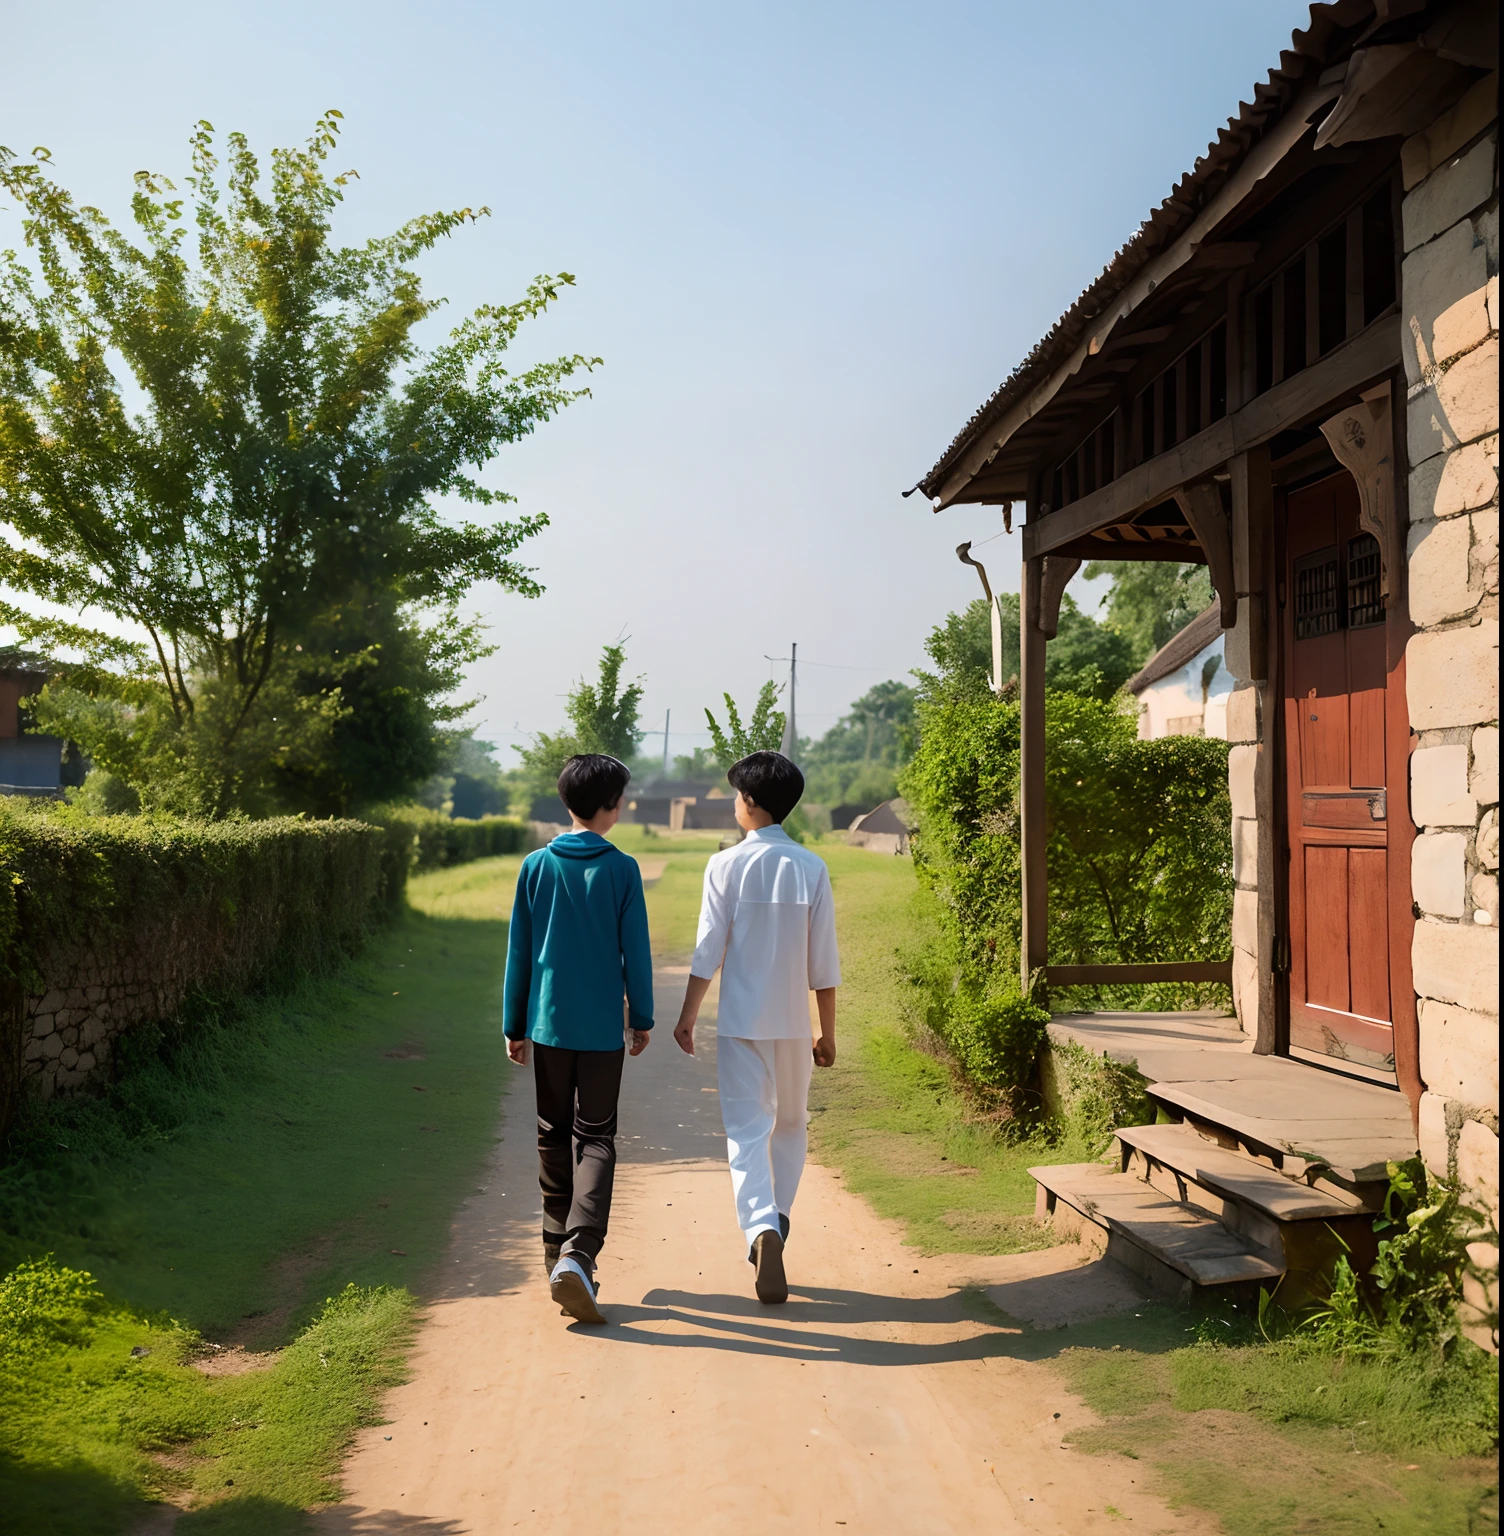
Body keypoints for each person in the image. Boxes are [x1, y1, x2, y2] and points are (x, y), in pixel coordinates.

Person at [672, 751, 840, 1304]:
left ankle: (760, 1227)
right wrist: (828, 1032)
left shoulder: (724, 866)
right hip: (794, 1025)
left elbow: (708, 949)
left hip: (740, 1024)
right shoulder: (811, 867)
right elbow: (823, 963)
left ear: (749, 803)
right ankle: (781, 1220)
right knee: (790, 1124)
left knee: (746, 1131)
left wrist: (688, 1015)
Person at [503, 753, 653, 1325]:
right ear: (612, 808)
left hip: (547, 1027)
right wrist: (641, 1017)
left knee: (551, 1134)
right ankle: (579, 1252)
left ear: (567, 802)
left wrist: (514, 1025)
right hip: (599, 1035)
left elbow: (520, 951)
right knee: (596, 1137)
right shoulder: (621, 869)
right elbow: (634, 951)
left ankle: (553, 1252)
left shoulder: (535, 866)